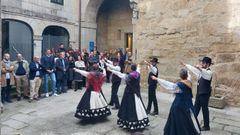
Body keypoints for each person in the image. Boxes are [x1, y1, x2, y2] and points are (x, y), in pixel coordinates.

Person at [152, 69, 201, 135]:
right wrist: (187, 71)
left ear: (180, 76)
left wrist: (157, 79)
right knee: (188, 120)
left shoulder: (179, 85)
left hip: (179, 106)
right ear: (186, 76)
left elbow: (168, 85)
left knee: (178, 121)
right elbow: (188, 77)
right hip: (188, 105)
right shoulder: (189, 82)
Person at [108, 64, 150, 130]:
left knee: (129, 106)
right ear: (135, 69)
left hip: (129, 92)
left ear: (131, 69)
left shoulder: (129, 76)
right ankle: (140, 119)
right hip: (136, 92)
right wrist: (138, 66)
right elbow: (138, 70)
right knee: (137, 105)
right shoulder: (137, 74)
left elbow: (120, 74)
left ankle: (130, 122)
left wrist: (111, 70)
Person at [182, 56, 213, 131]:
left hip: (205, 94)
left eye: (203, 62)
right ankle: (192, 122)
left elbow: (205, 74)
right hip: (199, 93)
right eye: (202, 62)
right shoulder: (201, 71)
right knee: (195, 108)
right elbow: (194, 70)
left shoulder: (209, 72)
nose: (202, 63)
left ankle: (206, 126)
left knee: (204, 109)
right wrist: (186, 65)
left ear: (208, 64)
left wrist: (199, 68)